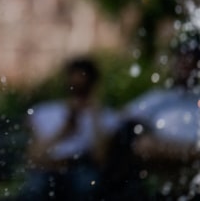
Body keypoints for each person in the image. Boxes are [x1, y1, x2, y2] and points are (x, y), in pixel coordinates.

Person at [16, 57, 120, 201]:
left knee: (87, 186)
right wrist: (64, 130)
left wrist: (95, 113)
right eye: (75, 87)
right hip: (48, 169)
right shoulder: (46, 111)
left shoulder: (106, 117)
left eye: (83, 89)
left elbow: (101, 158)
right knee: (35, 189)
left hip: (82, 169)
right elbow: (33, 158)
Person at [122, 39, 200, 199]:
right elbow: (131, 134)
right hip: (163, 168)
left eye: (192, 62)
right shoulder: (157, 99)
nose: (186, 66)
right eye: (182, 61)